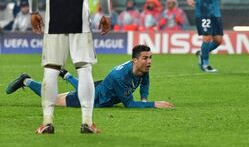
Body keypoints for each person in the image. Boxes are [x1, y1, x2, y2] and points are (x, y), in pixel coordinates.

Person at [28, 0, 112, 134]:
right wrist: (106, 14)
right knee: (84, 68)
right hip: (79, 19)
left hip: (54, 18)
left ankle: (47, 122)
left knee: (51, 68)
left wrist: (33, 11)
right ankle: (87, 122)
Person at [6, 45, 174, 109]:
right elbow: (129, 104)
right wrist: (154, 104)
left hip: (99, 90)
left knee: (75, 89)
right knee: (52, 99)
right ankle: (26, 80)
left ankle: (67, 75)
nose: (149, 61)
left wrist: (144, 99)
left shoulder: (142, 68)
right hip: (91, 99)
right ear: (134, 60)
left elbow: (145, 82)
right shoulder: (120, 76)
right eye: (145, 58)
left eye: (150, 57)